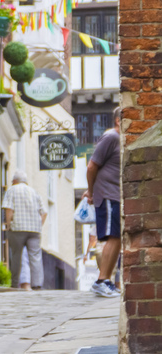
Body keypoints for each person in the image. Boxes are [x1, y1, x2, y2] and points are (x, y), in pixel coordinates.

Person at [86, 107, 122, 298]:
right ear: (118, 120)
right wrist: (91, 193)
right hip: (107, 195)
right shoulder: (111, 137)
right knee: (112, 237)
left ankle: (106, 280)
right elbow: (92, 166)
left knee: (117, 237)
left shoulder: (119, 139)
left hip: (114, 194)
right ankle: (101, 281)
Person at [3, 171, 47, 290]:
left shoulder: (11, 190)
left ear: (15, 181)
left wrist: (8, 224)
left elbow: (9, 209)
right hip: (34, 230)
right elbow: (44, 212)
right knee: (35, 257)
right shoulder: (34, 192)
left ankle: (14, 284)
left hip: (17, 228)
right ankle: (37, 284)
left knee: (16, 256)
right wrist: (39, 225)